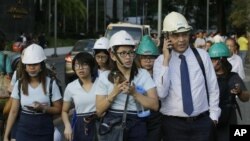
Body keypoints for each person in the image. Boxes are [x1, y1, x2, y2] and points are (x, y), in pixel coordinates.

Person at [153, 11, 220, 141]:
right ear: (167, 37)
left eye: (184, 34)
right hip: (172, 126)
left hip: (202, 123)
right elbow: (161, 93)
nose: (181, 39)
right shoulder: (160, 61)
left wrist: (213, 117)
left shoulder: (202, 56)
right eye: (176, 35)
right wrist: (166, 60)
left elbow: (213, 88)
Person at [96, 30, 159, 141]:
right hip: (113, 126)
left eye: (130, 52)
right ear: (113, 55)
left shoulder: (143, 74)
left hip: (137, 126)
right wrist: (114, 93)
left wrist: (135, 93)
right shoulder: (104, 77)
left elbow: (155, 105)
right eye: (123, 53)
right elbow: (99, 110)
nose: (128, 57)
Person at [3, 44, 62, 141]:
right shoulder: (19, 84)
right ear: (25, 67)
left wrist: (43, 108)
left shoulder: (51, 84)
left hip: (45, 131)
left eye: (35, 64)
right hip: (23, 131)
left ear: (41, 65)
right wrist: (6, 136)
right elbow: (13, 112)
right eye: (29, 64)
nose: (32, 67)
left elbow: (58, 109)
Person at [208, 42, 250, 141]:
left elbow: (246, 97)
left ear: (221, 61)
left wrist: (239, 92)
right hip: (211, 118)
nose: (210, 62)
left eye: (213, 60)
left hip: (228, 118)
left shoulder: (233, 77)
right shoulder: (207, 77)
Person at [62, 52, 99, 141]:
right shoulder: (71, 87)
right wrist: (67, 126)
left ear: (91, 66)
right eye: (77, 65)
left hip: (99, 123)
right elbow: (64, 111)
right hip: (80, 126)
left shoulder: (101, 83)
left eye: (84, 64)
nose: (80, 68)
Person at [135, 35, 162, 141]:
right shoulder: (136, 75)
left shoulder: (160, 74)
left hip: (156, 116)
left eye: (151, 57)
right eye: (144, 57)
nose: (148, 61)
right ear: (139, 58)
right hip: (139, 115)